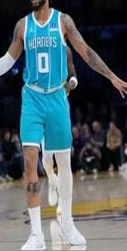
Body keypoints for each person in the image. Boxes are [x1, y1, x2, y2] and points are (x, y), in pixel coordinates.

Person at [0, 0, 127, 250]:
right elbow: (8, 59)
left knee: (64, 164)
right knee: (30, 161)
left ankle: (67, 223)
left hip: (57, 99)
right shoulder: (23, 26)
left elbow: (86, 52)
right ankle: (36, 234)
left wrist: (111, 77)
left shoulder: (63, 21)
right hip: (32, 99)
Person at [41, 46, 77, 210]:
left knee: (63, 159)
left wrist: (72, 83)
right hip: (42, 106)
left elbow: (73, 76)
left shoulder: (65, 51)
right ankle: (51, 179)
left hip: (60, 106)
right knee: (47, 158)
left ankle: (63, 202)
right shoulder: (38, 48)